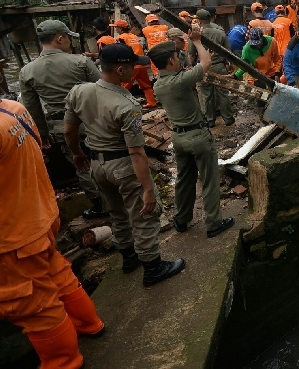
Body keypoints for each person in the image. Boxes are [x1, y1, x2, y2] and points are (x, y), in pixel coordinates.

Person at [64, 44, 185, 287]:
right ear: (120, 69)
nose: (135, 70)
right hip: (123, 166)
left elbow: (69, 130)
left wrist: (77, 154)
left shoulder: (80, 91)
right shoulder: (126, 105)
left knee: (117, 214)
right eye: (132, 66)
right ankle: (153, 267)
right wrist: (148, 189)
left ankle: (129, 257)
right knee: (144, 214)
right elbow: (137, 153)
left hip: (97, 165)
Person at [0, 98, 105, 369]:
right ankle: (87, 322)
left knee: (30, 302)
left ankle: (63, 361)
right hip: (40, 215)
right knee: (56, 273)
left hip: (12, 235)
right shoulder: (13, 108)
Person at [149, 29, 235, 239]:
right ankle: (214, 222)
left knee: (184, 180)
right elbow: (204, 65)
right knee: (209, 179)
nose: (178, 61)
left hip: (178, 138)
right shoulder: (180, 81)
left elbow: (196, 66)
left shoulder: (159, 85)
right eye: (175, 58)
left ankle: (181, 219)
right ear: (170, 60)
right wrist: (196, 41)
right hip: (197, 136)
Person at [19, 20, 106, 219]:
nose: (69, 42)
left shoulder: (27, 71)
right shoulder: (81, 62)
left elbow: (32, 108)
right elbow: (104, 90)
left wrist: (42, 133)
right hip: (95, 121)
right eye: (68, 38)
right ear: (60, 38)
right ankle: (119, 198)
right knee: (106, 159)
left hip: (62, 126)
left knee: (82, 166)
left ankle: (99, 206)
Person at [189, 10, 234, 127]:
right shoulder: (220, 32)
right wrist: (229, 65)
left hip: (203, 69)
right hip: (219, 66)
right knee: (223, 94)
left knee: (205, 95)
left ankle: (210, 120)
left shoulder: (196, 35)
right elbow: (228, 52)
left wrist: (190, 68)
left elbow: (192, 55)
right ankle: (228, 119)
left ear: (198, 20)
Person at [111, 19, 158, 108]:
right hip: (141, 63)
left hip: (131, 65)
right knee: (146, 85)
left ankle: (119, 105)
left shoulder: (121, 38)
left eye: (116, 28)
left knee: (124, 87)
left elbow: (121, 52)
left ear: (120, 28)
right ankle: (151, 102)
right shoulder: (134, 36)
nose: (116, 30)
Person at [272, 4, 296, 74]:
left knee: (279, 70)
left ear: (276, 13)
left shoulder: (273, 24)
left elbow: (272, 37)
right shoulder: (288, 21)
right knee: (288, 69)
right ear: (284, 12)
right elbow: (293, 35)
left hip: (277, 51)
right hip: (288, 49)